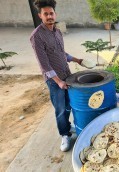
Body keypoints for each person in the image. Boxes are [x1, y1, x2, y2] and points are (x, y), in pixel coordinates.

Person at [30, 0, 83, 152]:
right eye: (45, 14)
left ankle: (67, 126)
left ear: (55, 14)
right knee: (60, 109)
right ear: (40, 15)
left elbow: (61, 54)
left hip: (67, 75)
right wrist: (58, 81)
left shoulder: (58, 32)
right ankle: (64, 134)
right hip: (55, 81)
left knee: (69, 105)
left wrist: (76, 60)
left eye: (51, 13)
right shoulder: (37, 36)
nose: (49, 16)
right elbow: (44, 65)